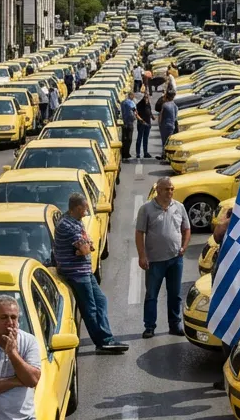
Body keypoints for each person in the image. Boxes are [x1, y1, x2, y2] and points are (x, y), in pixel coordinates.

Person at [53, 194, 128, 354]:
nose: (87, 210)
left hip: (85, 271)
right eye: (85, 207)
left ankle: (107, 338)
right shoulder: (67, 225)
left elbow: (88, 245)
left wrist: (84, 247)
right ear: (78, 208)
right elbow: (86, 248)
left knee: (101, 301)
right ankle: (102, 342)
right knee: (90, 308)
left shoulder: (76, 222)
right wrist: (83, 248)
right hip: (76, 273)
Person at [136, 177, 190, 339]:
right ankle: (149, 326)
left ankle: (175, 324)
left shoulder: (179, 207)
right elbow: (139, 233)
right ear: (158, 190)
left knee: (175, 294)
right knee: (152, 294)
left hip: (175, 259)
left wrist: (184, 246)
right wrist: (142, 256)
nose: (170, 192)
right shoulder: (146, 209)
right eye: (167, 189)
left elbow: (186, 229)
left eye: (172, 189)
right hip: (155, 261)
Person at [157, 90, 178, 158]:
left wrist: (159, 124)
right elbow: (175, 117)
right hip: (172, 125)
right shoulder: (174, 105)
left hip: (165, 125)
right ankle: (168, 155)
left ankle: (164, 155)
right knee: (169, 141)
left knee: (164, 141)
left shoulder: (164, 105)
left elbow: (160, 116)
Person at [135, 89, 153, 159]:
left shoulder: (148, 103)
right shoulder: (139, 104)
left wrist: (152, 116)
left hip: (148, 123)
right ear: (143, 97)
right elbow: (136, 113)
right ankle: (138, 153)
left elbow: (149, 111)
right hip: (141, 124)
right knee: (139, 138)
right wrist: (141, 120)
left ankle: (145, 153)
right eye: (145, 96)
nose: (146, 98)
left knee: (146, 138)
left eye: (147, 96)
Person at [120, 90, 136, 161]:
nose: (133, 97)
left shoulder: (122, 102)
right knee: (129, 139)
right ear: (130, 96)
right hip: (129, 123)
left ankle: (123, 153)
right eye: (133, 96)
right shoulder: (131, 103)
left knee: (124, 138)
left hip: (123, 122)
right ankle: (127, 153)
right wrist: (135, 118)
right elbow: (134, 111)